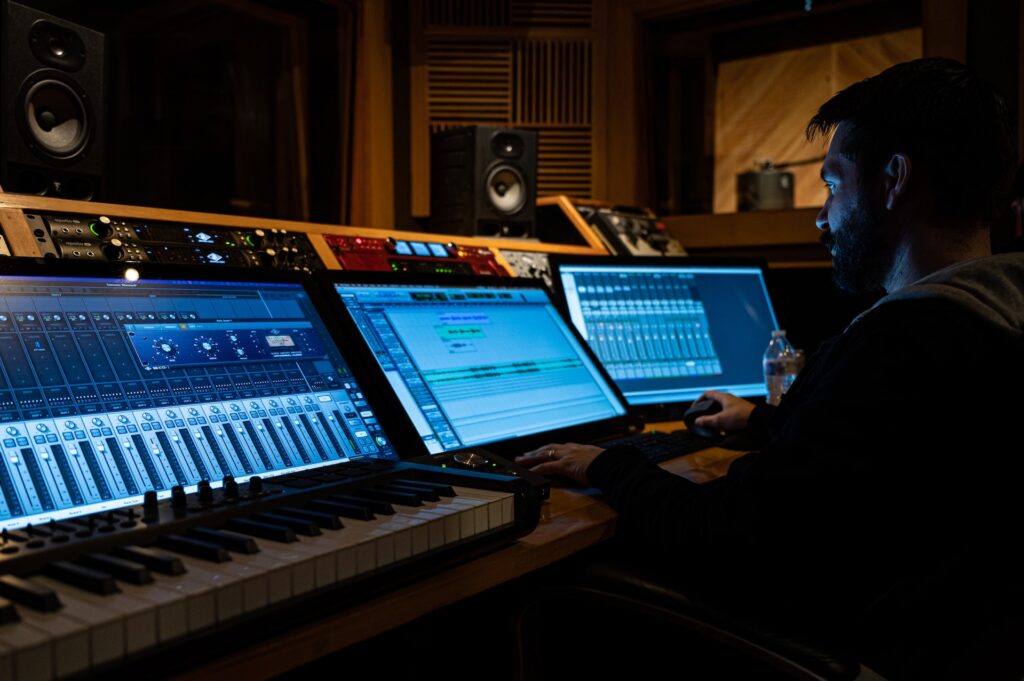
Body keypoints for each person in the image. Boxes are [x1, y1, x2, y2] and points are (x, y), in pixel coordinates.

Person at [516, 58, 1024, 680]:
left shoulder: (904, 344)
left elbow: (726, 538)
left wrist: (607, 463)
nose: (821, 216)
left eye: (834, 186)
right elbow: (868, 465)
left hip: (852, 647)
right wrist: (758, 420)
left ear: (893, 180)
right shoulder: (996, 319)